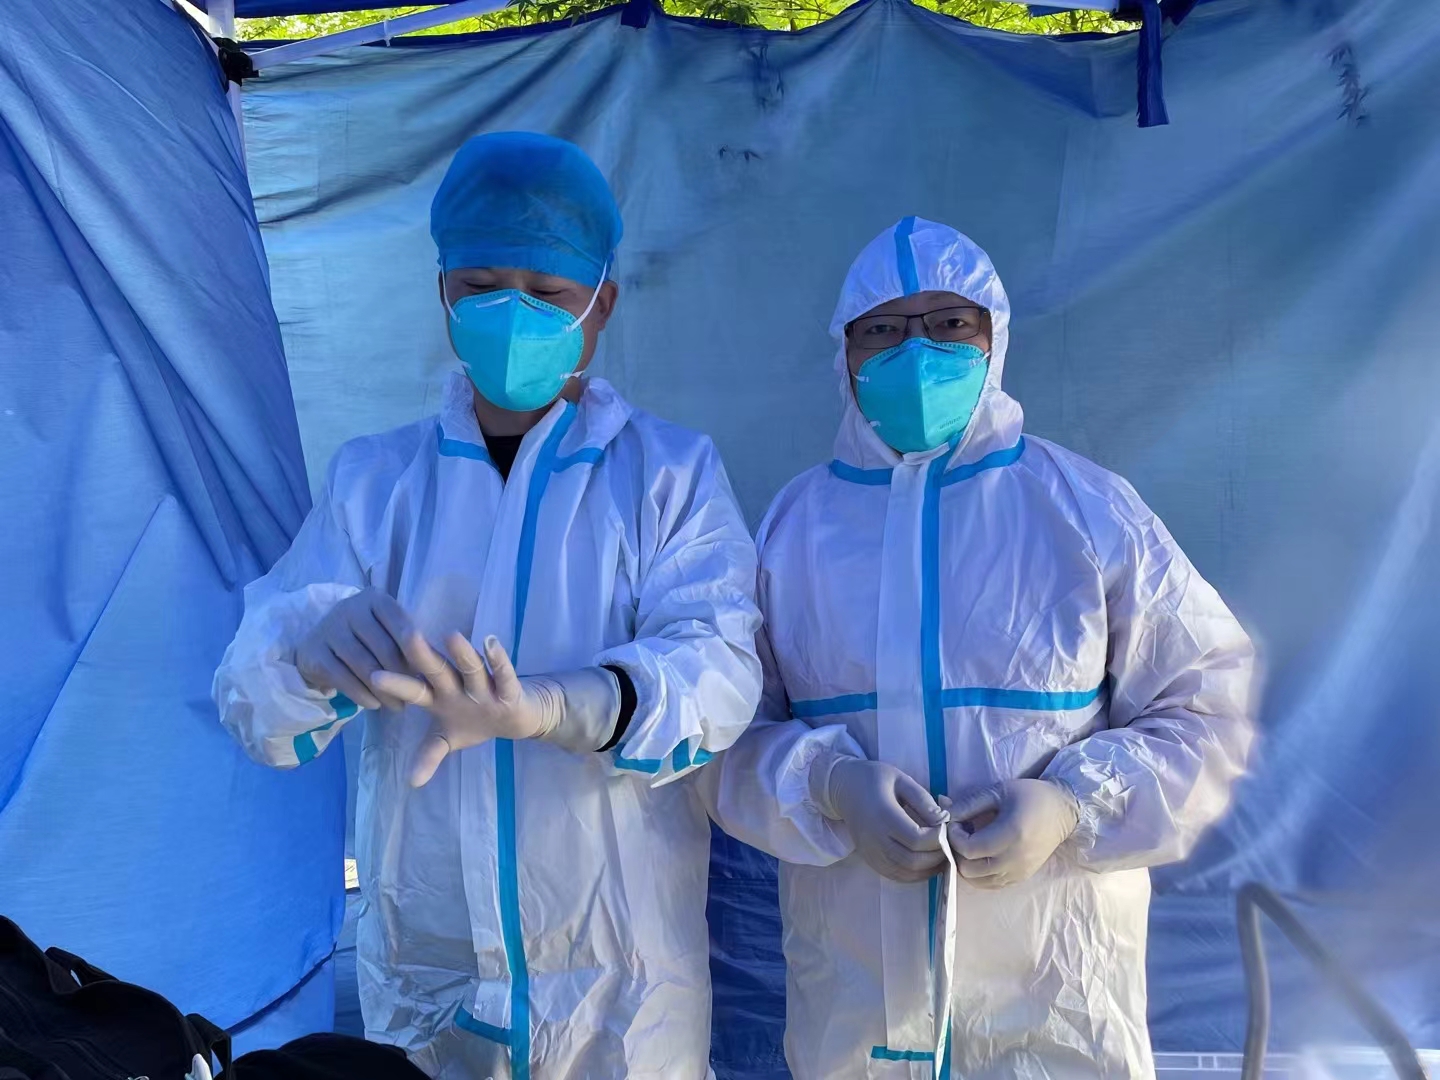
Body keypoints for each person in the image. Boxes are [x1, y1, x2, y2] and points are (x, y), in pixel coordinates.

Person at [214, 132, 762, 1079]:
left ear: (600, 305)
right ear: (443, 295)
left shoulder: (667, 476)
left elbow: (718, 671)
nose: (512, 314)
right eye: (481, 286)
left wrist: (555, 707)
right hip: (429, 978)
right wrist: (305, 649)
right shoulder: (376, 483)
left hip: (624, 994)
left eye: (546, 292)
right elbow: (254, 707)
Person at [701, 217, 1256, 1078]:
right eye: (884, 330)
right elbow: (721, 732)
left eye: (949, 324)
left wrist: (1073, 806)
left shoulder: (1085, 510)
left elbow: (1208, 704)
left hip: (1061, 996)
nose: (916, 352)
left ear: (994, 339)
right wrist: (829, 785)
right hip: (857, 1001)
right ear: (845, 355)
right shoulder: (794, 529)